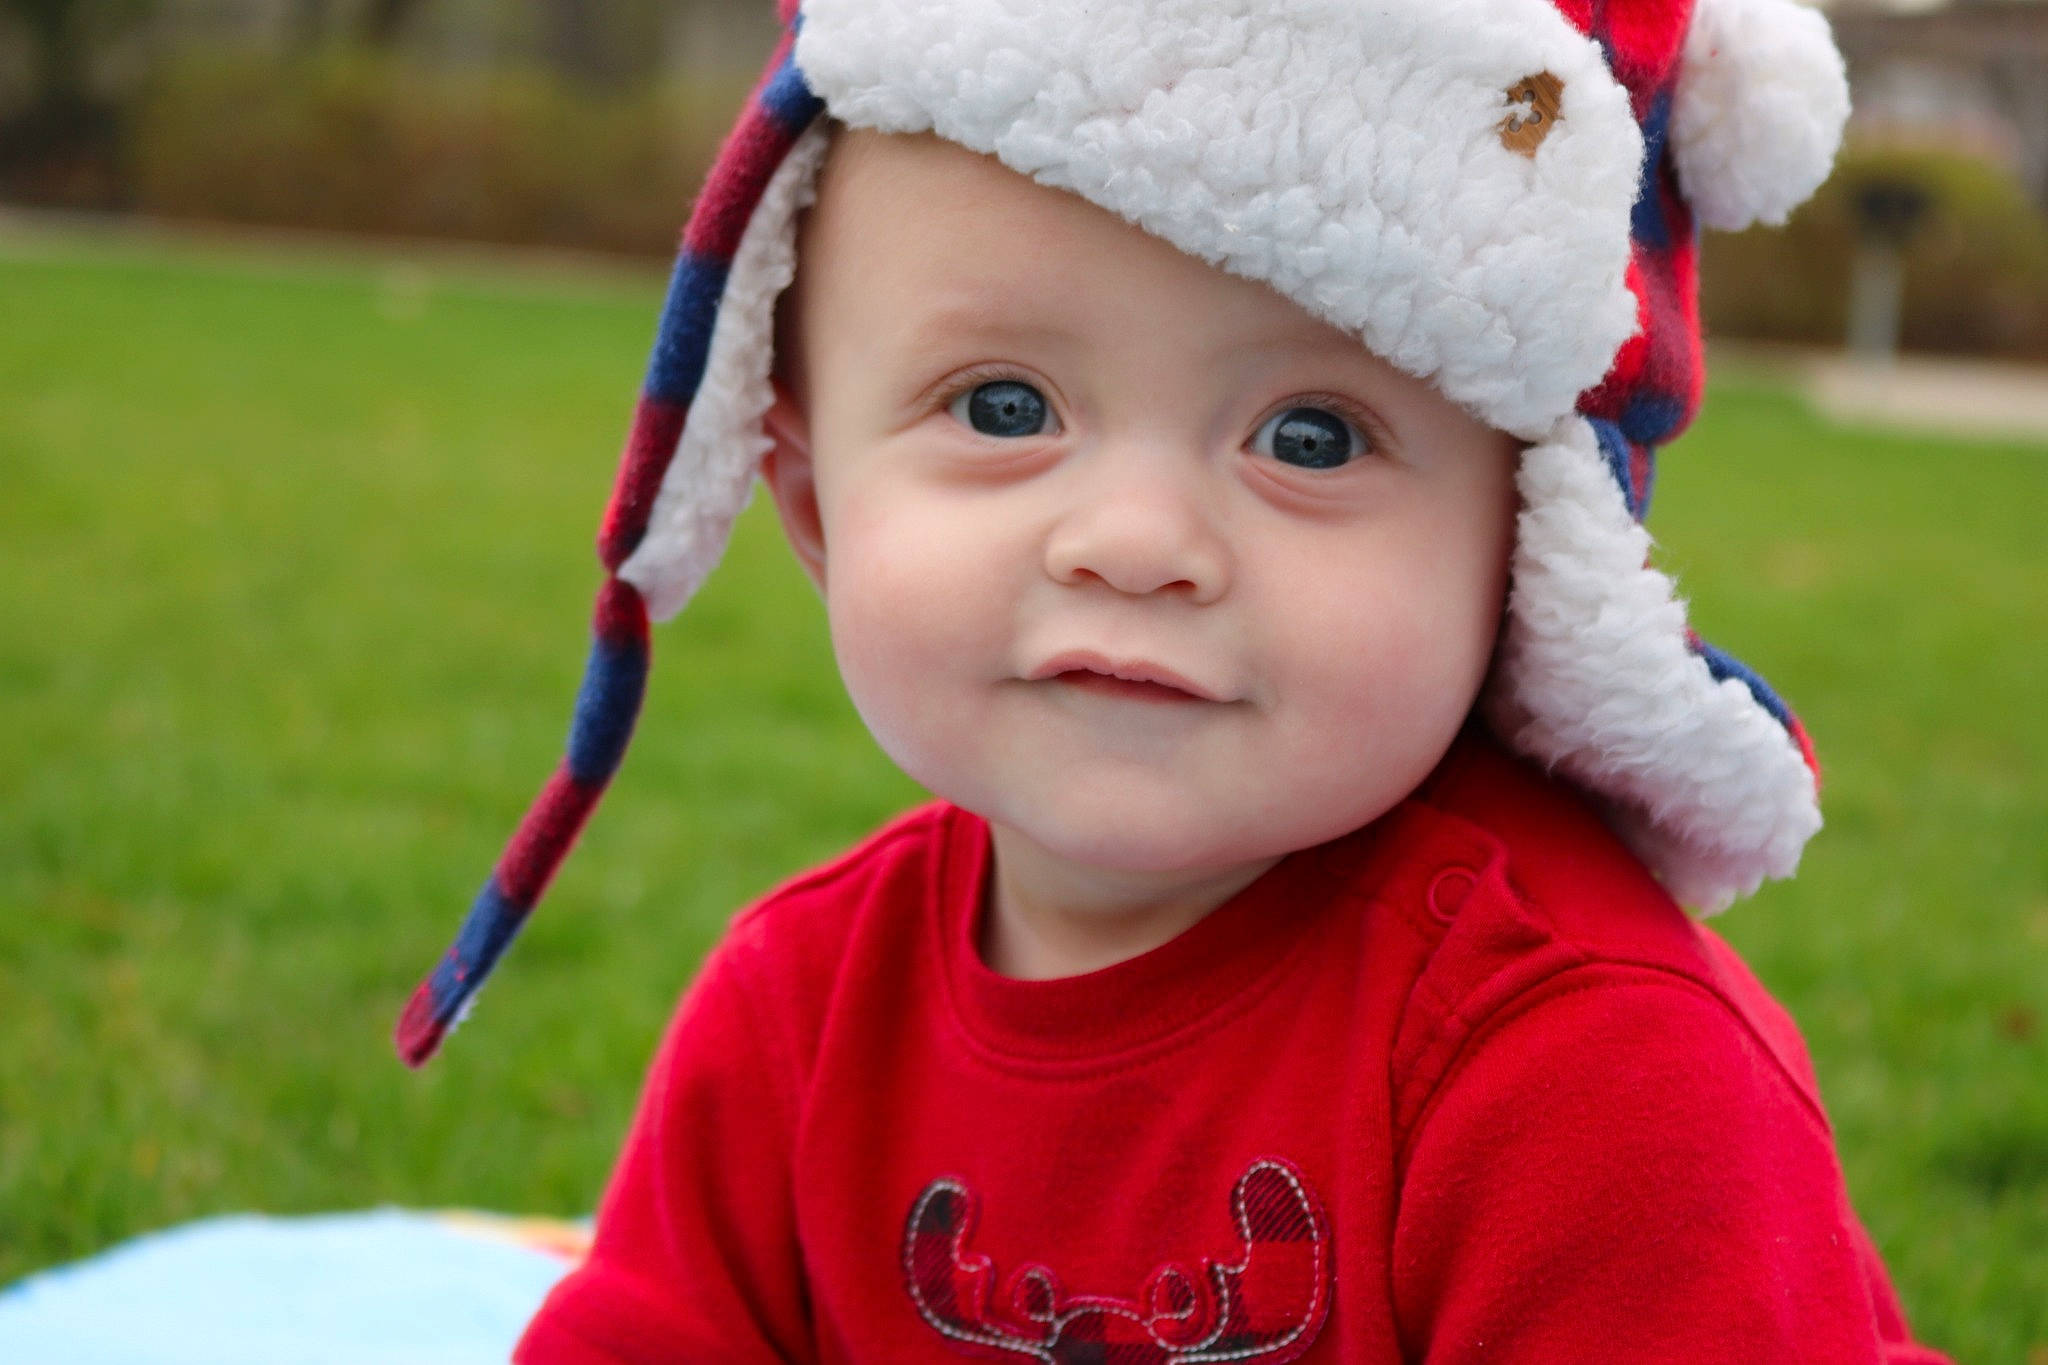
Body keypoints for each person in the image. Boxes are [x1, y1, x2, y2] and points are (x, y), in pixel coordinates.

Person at [396, 0, 1952, 1359]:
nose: (1137, 543)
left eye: (1312, 438)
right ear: (810, 501)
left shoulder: (1586, 1073)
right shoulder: (798, 1018)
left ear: (1529, 550)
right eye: (1004, 404)